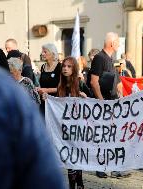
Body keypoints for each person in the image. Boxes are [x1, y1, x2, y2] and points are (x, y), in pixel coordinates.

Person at [0, 54, 66, 189]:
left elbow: (35, 102)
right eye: (7, 72)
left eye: (11, 72)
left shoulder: (22, 84)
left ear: (18, 71)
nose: (8, 74)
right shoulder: (4, 87)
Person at [90, 32, 127, 179]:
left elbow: (116, 82)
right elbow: (94, 81)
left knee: (113, 137)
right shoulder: (99, 58)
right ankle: (101, 167)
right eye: (117, 42)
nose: (119, 45)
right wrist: (101, 101)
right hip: (104, 104)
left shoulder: (111, 59)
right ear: (112, 43)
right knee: (103, 137)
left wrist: (121, 97)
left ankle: (113, 167)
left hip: (112, 103)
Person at [57, 56, 91, 189]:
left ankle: (80, 183)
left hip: (79, 127)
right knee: (69, 156)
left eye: (69, 66)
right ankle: (72, 185)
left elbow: (91, 101)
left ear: (74, 68)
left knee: (77, 155)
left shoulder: (79, 83)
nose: (65, 69)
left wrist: (85, 97)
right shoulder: (61, 85)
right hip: (66, 127)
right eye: (64, 66)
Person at [36, 43, 61, 115]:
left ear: (53, 53)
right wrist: (39, 89)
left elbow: (63, 87)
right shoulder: (43, 67)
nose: (42, 54)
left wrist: (46, 90)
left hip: (56, 102)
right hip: (44, 101)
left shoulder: (60, 67)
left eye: (45, 52)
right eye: (42, 52)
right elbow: (43, 84)